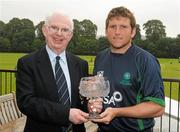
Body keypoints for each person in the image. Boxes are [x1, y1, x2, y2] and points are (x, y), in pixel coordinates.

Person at [92, 6, 165, 132]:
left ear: (133, 32)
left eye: (123, 27)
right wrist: (94, 105)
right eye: (113, 26)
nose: (117, 32)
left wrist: (117, 112)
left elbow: (157, 107)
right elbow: (98, 95)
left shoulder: (145, 60)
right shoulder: (100, 57)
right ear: (106, 31)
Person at [16, 11, 89, 132]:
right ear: (45, 30)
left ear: (70, 35)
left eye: (65, 30)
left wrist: (91, 106)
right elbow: (26, 102)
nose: (59, 33)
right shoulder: (27, 63)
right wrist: (66, 114)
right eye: (54, 27)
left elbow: (82, 100)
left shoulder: (81, 64)